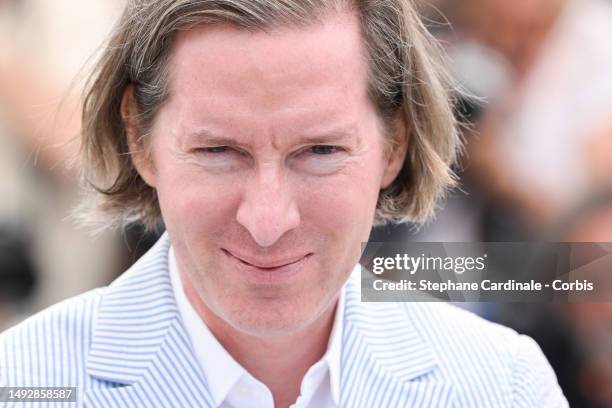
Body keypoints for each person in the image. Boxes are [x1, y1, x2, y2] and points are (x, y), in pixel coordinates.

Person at [0, 0, 568, 407]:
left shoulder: (500, 385)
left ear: (395, 143)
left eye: (319, 151)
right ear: (139, 138)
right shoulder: (24, 384)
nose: (268, 222)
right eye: (218, 150)